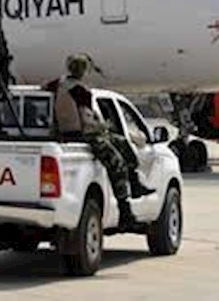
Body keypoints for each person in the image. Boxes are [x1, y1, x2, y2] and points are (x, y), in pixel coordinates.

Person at [44, 54, 154, 229]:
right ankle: (125, 211)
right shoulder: (80, 91)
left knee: (121, 142)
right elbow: (88, 120)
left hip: (71, 132)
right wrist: (104, 127)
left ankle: (135, 183)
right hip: (82, 134)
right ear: (83, 71)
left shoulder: (57, 84)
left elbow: (44, 90)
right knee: (116, 163)